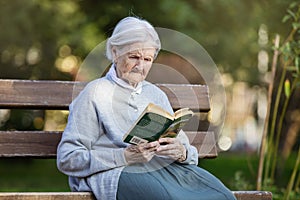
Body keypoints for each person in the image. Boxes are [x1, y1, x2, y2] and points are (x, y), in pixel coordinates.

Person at [57, 16, 236, 200]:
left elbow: (185, 150)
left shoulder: (155, 94)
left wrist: (181, 153)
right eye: (134, 56)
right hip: (117, 173)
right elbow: (68, 158)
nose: (140, 66)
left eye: (148, 59)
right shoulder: (95, 93)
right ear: (115, 52)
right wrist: (124, 156)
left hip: (163, 170)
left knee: (223, 196)